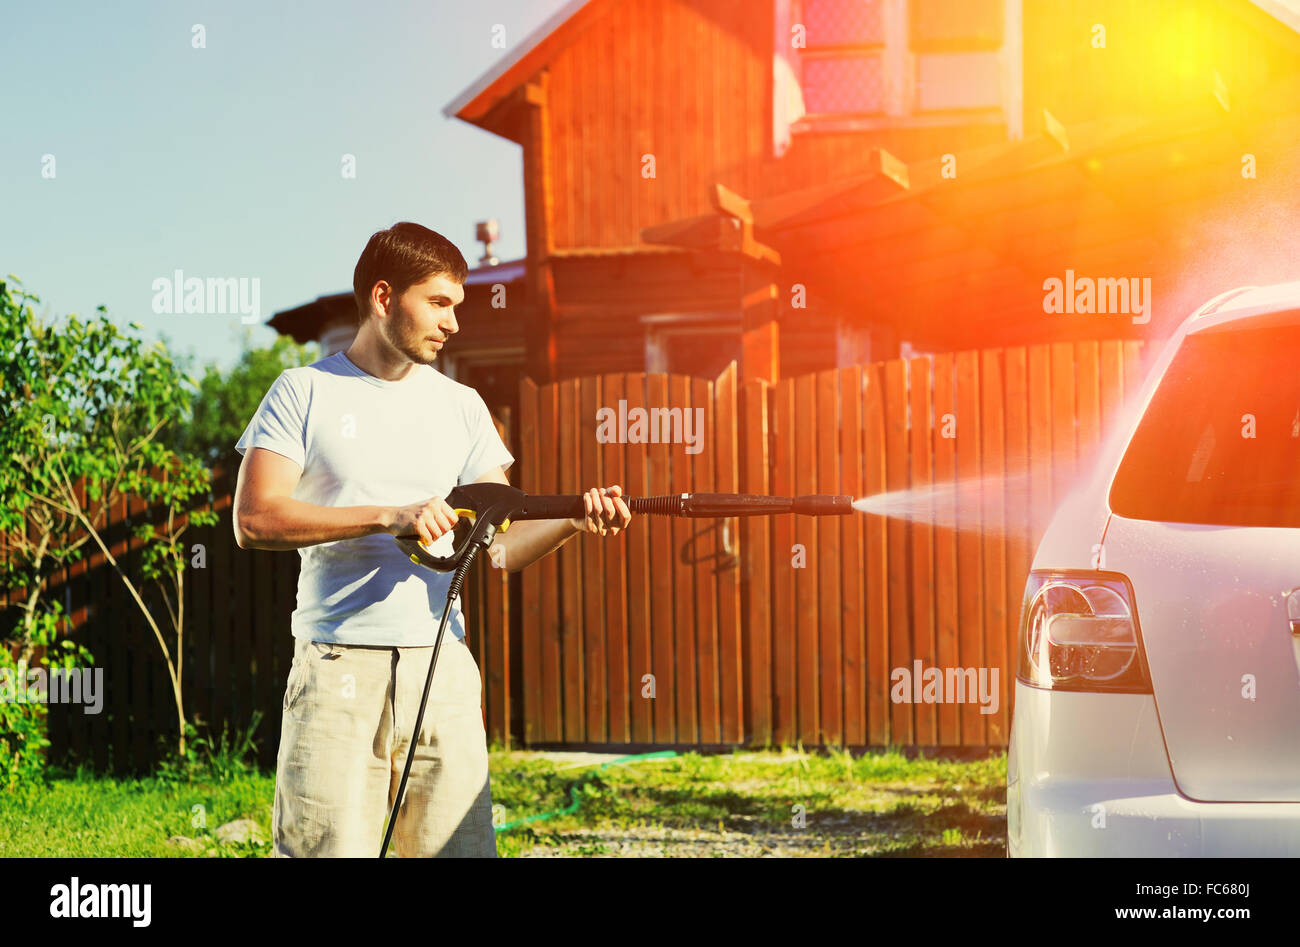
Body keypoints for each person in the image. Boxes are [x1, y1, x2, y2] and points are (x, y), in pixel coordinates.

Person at [232, 221, 631, 857]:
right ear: (385, 298)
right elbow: (255, 519)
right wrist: (387, 516)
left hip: (442, 667)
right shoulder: (304, 391)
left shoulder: (462, 407)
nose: (453, 324)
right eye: (439, 303)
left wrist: (571, 522)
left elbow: (500, 548)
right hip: (338, 666)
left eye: (458, 307)